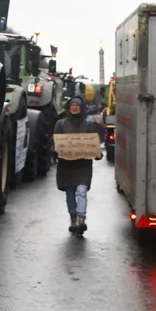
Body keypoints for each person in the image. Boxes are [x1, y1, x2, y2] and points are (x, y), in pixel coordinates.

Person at [53, 94, 102, 235]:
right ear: (68, 107)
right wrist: (55, 152)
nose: (74, 108)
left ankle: (81, 219)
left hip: (83, 164)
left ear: (81, 108)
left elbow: (94, 142)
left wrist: (97, 153)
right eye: (72, 105)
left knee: (81, 190)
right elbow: (54, 142)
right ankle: (73, 219)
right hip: (66, 165)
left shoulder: (88, 125)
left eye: (77, 106)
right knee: (69, 193)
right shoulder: (60, 124)